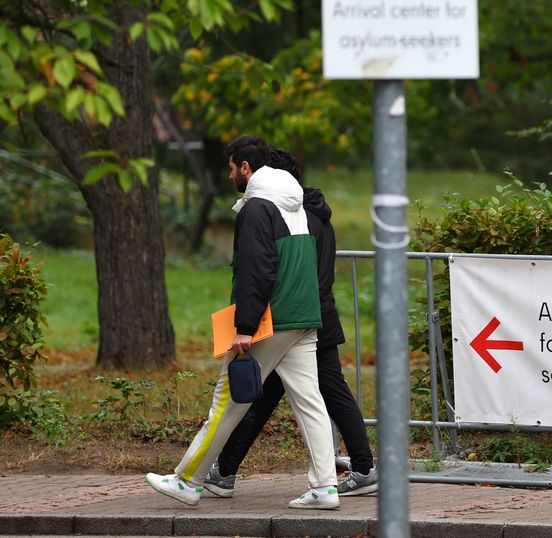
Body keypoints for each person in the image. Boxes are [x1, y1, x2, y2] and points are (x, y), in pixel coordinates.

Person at [146, 135, 340, 510]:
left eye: (231, 167)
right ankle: (325, 487)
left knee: (226, 400)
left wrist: (245, 327)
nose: (230, 173)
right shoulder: (293, 202)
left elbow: (257, 270)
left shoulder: (256, 208)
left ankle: (188, 480)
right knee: (310, 401)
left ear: (245, 168)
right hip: (303, 315)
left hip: (271, 320)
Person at [201, 148, 378, 498]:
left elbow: (273, 271)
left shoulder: (290, 216)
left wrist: (250, 321)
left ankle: (221, 471)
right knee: (314, 395)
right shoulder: (319, 215)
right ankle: (358, 467)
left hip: (290, 318)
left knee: (258, 397)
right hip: (317, 315)